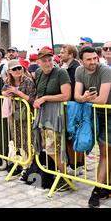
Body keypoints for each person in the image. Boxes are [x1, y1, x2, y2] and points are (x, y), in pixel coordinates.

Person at [74, 47, 111, 208]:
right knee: (105, 152)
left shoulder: (105, 70)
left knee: (104, 152)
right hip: (93, 114)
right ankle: (104, 185)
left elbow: (102, 100)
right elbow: (76, 95)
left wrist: (83, 99)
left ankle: (97, 189)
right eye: (89, 59)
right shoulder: (79, 71)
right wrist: (83, 98)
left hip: (108, 114)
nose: (93, 62)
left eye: (95, 58)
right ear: (81, 61)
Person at [33, 48, 71, 190]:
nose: (48, 63)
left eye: (50, 60)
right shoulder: (38, 73)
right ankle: (59, 175)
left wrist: (45, 98)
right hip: (43, 115)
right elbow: (39, 92)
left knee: (52, 149)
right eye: (44, 61)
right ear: (38, 62)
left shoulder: (61, 72)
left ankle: (66, 178)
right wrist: (38, 99)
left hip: (56, 115)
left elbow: (66, 95)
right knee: (46, 147)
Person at [2, 59, 37, 175]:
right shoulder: (8, 81)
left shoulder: (28, 81)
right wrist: (5, 93)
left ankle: (29, 165)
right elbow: (2, 90)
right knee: (17, 139)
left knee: (28, 140)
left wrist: (17, 93)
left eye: (19, 68)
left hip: (27, 115)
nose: (17, 71)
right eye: (14, 69)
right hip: (14, 115)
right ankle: (22, 163)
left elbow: (32, 100)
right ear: (9, 71)